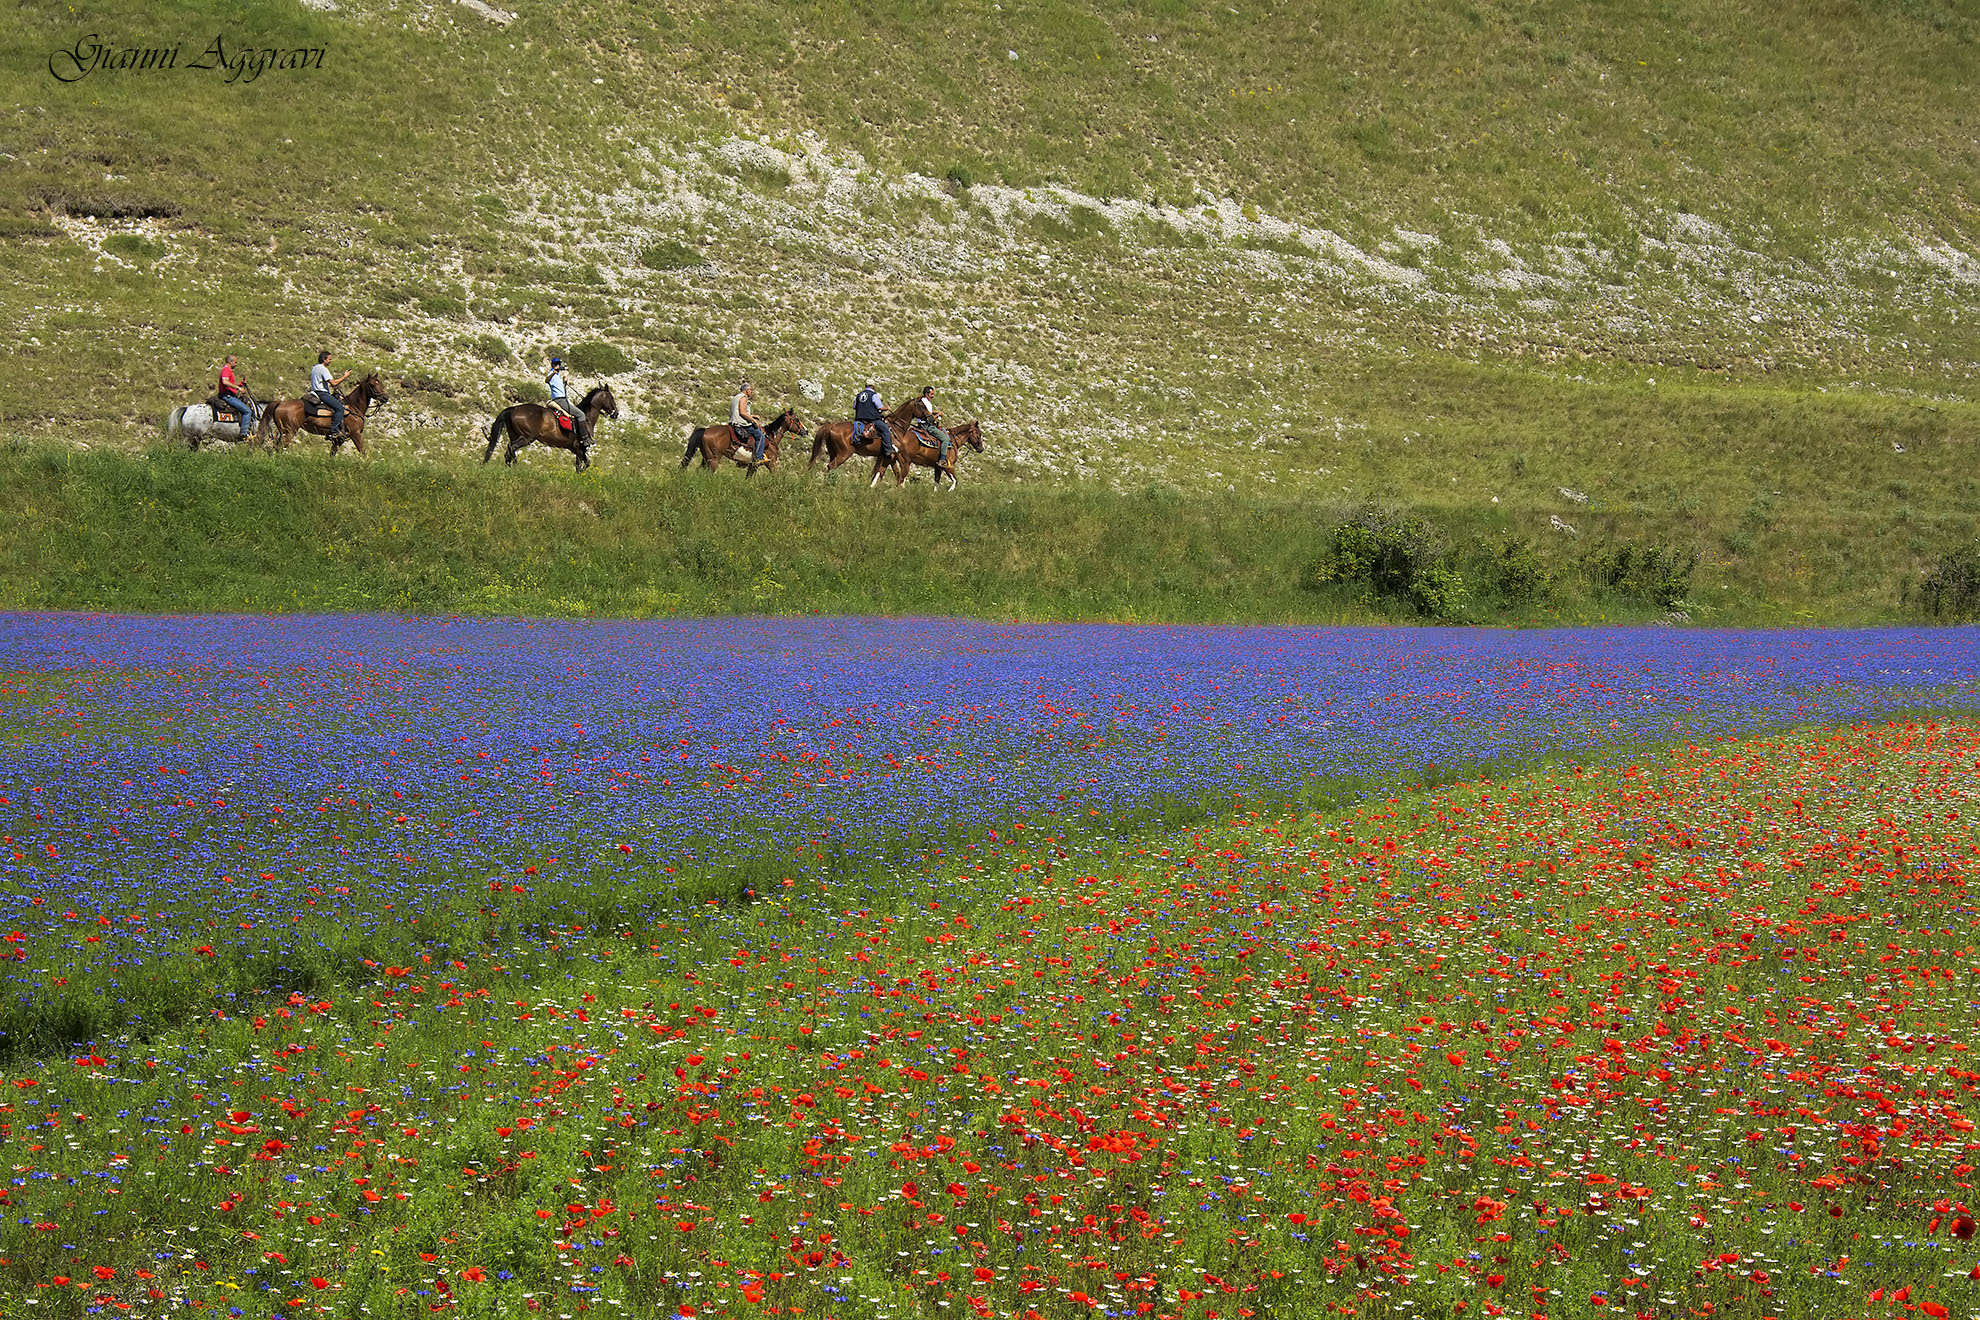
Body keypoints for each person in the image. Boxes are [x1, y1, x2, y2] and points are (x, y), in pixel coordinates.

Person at [546, 356, 591, 448]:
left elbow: (559, 388)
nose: (557, 366)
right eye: (555, 364)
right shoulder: (551, 374)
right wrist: (552, 373)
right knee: (581, 415)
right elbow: (546, 380)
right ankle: (585, 438)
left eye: (558, 364)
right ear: (552, 365)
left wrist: (564, 383)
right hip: (560, 400)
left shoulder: (557, 376)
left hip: (563, 398)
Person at [308, 351, 350, 439]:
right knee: (339, 408)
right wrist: (345, 376)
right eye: (329, 359)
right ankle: (334, 431)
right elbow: (333, 383)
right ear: (324, 359)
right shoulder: (323, 369)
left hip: (314, 392)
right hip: (322, 393)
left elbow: (323, 383)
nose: (331, 361)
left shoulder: (314, 368)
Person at [730, 381, 768, 466]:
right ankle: (758, 458)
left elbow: (738, 410)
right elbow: (742, 412)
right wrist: (754, 420)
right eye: (750, 390)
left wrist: (752, 415)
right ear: (747, 390)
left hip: (733, 421)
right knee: (760, 436)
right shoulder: (743, 398)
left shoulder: (736, 397)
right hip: (741, 423)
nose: (751, 392)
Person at [216, 354, 253, 435]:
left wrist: (240, 384)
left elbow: (229, 386)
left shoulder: (228, 370)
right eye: (235, 362)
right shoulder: (226, 370)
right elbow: (225, 382)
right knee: (247, 411)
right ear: (231, 361)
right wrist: (238, 388)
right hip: (227, 396)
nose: (236, 364)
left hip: (228, 394)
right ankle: (244, 433)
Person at [853, 383, 893, 457]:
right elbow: (880, 407)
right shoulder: (874, 395)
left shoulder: (859, 394)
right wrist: (887, 408)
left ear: (865, 386)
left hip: (859, 419)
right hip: (871, 419)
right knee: (885, 430)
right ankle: (888, 449)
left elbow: (854, 406)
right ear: (873, 386)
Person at [913, 385, 952, 460]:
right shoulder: (926, 403)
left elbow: (926, 413)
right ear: (927, 394)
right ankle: (942, 459)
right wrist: (938, 415)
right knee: (945, 439)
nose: (933, 396)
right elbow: (929, 419)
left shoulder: (922, 401)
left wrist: (933, 412)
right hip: (928, 426)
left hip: (921, 424)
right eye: (931, 394)